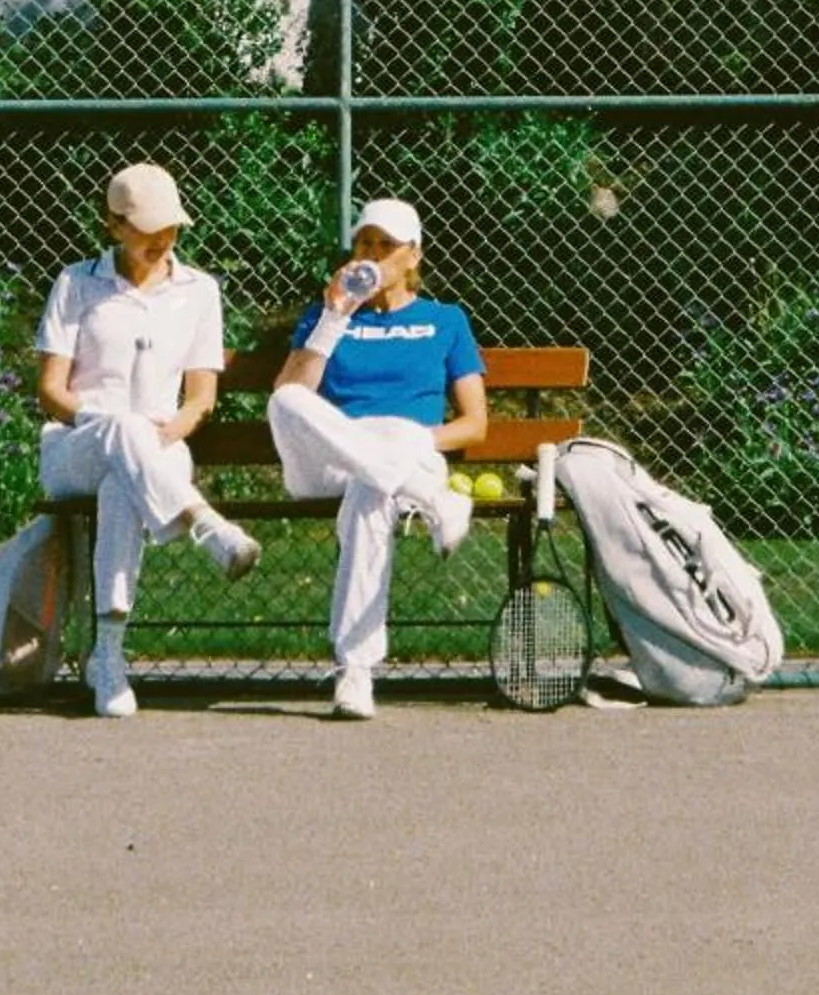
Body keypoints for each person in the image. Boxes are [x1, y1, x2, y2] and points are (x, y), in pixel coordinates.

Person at [35, 161, 262, 718]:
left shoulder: (199, 291)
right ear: (113, 226)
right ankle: (208, 528)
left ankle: (107, 658)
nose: (165, 239)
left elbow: (200, 399)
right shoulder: (75, 283)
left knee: (122, 489)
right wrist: (108, 423)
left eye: (172, 228)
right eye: (149, 229)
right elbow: (50, 391)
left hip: (160, 449)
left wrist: (166, 432)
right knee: (121, 432)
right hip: (74, 447)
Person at [267, 195, 487, 719]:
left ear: (413, 256)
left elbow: (474, 423)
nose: (372, 254)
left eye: (386, 245)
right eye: (364, 243)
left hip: (409, 449)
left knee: (372, 491)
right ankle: (435, 502)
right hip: (335, 456)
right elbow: (292, 396)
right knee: (285, 400)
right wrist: (335, 315)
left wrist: (409, 442)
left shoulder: (445, 320)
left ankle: (356, 672)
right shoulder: (328, 313)